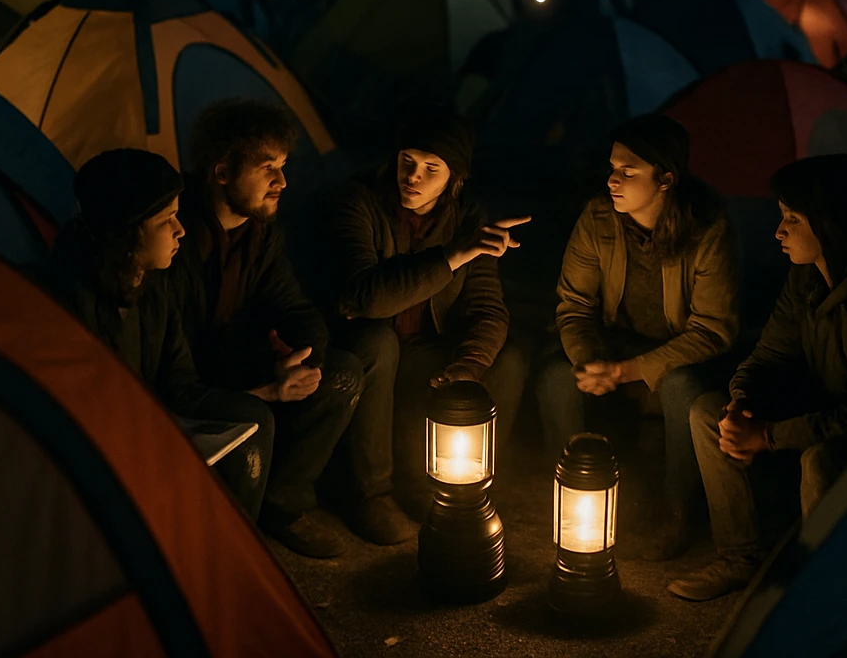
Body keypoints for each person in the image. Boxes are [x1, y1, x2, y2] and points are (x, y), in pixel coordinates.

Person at [668, 154, 847, 601]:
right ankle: (739, 556)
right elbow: (770, 352)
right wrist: (740, 405)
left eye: (792, 218)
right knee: (707, 411)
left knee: (820, 459)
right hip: (822, 405)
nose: (778, 231)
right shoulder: (806, 277)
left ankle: (821, 583)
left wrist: (767, 437)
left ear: (829, 222)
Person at [536, 114, 740, 560]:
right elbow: (574, 305)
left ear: (665, 179)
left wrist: (629, 372)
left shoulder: (706, 230)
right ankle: (566, 491)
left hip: (675, 353)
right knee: (556, 376)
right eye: (612, 167)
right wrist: (590, 360)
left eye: (628, 172)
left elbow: (712, 329)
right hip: (612, 343)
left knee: (685, 389)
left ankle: (678, 512)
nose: (613, 180)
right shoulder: (598, 219)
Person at [171, 99, 364, 558]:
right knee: (253, 413)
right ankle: (232, 533)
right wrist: (263, 386)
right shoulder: (173, 234)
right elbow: (172, 355)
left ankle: (284, 503)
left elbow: (295, 308)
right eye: (267, 168)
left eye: (282, 166)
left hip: (239, 363)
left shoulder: (259, 233)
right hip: (189, 380)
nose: (282, 182)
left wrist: (301, 360)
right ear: (221, 173)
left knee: (342, 373)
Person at [51, 148, 274, 522]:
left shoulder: (152, 282)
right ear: (127, 234)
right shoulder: (70, 303)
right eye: (167, 219)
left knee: (254, 420)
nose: (180, 229)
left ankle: (231, 545)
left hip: (153, 417)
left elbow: (178, 378)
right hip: (105, 443)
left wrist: (262, 393)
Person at [329, 107, 531, 516]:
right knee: (381, 343)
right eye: (407, 162)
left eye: (430, 169)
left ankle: (475, 482)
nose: (413, 177)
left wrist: (469, 365)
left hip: (430, 345)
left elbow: (489, 308)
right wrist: (453, 256)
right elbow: (366, 297)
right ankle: (374, 494)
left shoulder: (467, 216)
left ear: (453, 178)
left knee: (509, 359)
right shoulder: (361, 201)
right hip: (377, 343)